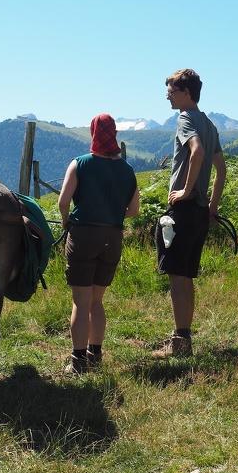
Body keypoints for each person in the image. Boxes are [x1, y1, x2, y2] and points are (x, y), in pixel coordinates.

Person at [58, 113, 140, 375]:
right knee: (96, 302)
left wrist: (66, 221)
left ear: (94, 133)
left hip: (83, 236)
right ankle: (96, 354)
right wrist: (113, 217)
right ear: (114, 134)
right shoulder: (127, 170)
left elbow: (62, 202)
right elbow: (134, 210)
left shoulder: (80, 164)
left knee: (80, 303)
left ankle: (78, 361)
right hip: (112, 238)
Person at [153, 69, 226, 358]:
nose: (167, 96)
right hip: (200, 212)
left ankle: (179, 344)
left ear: (185, 92)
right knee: (187, 277)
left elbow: (195, 152)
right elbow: (221, 170)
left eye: (170, 90)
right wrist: (212, 205)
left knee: (176, 277)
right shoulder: (209, 123)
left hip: (183, 209)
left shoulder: (185, 118)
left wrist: (184, 190)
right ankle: (184, 338)